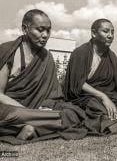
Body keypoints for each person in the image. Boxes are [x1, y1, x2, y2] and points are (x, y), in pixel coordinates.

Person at [0, 9, 87, 143]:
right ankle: (36, 126)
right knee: (16, 114)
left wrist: (48, 105)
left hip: (36, 111)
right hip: (11, 109)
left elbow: (53, 95)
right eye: (40, 30)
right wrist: (27, 112)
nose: (45, 35)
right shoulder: (8, 51)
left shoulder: (47, 57)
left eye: (48, 30)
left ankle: (28, 128)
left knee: (71, 112)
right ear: (25, 29)